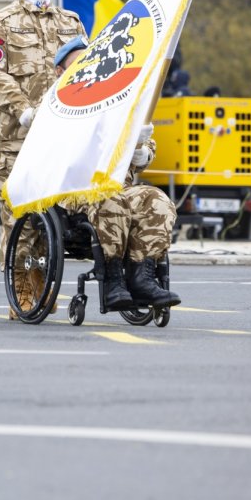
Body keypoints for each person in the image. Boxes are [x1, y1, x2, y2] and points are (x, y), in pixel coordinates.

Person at [0, 0, 87, 312]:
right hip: (17, 135)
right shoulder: (2, 22)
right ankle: (21, 287)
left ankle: (40, 278)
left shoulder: (71, 23)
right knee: (19, 214)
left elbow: (85, 72)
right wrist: (23, 109)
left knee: (52, 212)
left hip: (60, 136)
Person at [54, 39, 181, 310]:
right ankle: (113, 281)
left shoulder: (118, 101)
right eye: (78, 64)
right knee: (111, 198)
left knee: (157, 200)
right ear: (60, 71)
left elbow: (147, 147)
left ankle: (142, 277)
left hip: (120, 188)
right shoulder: (59, 107)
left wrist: (142, 151)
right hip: (77, 192)